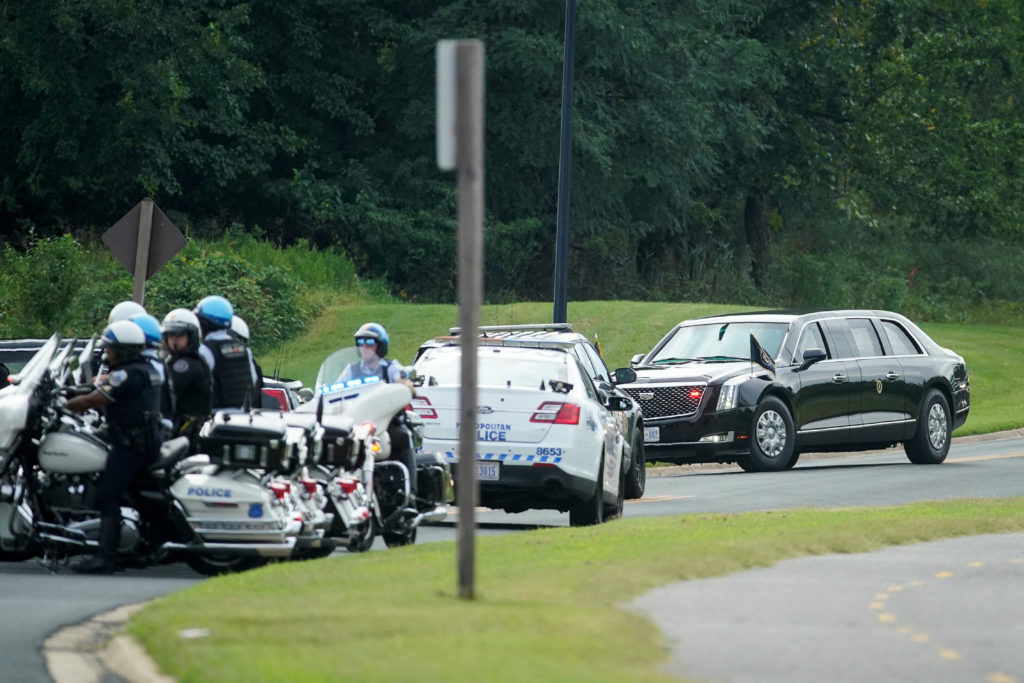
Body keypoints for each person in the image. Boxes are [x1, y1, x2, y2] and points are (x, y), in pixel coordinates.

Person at [66, 320, 163, 574]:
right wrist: (69, 390)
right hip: (146, 442)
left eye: (110, 349)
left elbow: (94, 398)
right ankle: (138, 548)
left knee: (107, 494)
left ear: (124, 350)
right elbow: (99, 386)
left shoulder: (127, 374)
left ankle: (105, 557)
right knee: (129, 494)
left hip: (132, 446)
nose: (107, 353)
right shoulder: (145, 369)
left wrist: (64, 405)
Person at [338, 323, 417, 500]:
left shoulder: (390, 367)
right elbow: (336, 390)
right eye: (361, 342)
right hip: (357, 424)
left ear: (380, 346)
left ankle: (410, 490)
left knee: (404, 436)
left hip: (385, 424)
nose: (365, 346)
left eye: (370, 342)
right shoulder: (351, 370)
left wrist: (405, 386)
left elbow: (405, 386)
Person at [194, 295, 258, 410]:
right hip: (242, 418)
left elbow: (194, 383)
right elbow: (253, 380)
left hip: (215, 418)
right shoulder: (244, 349)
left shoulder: (206, 350)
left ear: (204, 323)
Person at [161, 308, 212, 445]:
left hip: (186, 433)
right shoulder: (177, 360)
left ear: (192, 336)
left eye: (179, 335)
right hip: (179, 430)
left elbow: (162, 390)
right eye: (170, 335)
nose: (174, 340)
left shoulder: (186, 365)